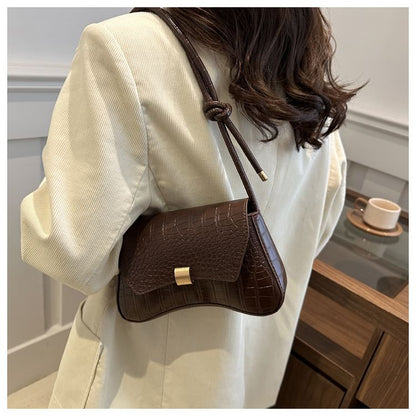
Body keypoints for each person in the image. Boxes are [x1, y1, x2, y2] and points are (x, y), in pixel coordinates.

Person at [20, 7, 360, 408]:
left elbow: (69, 253)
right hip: (253, 366)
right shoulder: (308, 81)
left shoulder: (127, 46)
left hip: (145, 375)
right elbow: (314, 230)